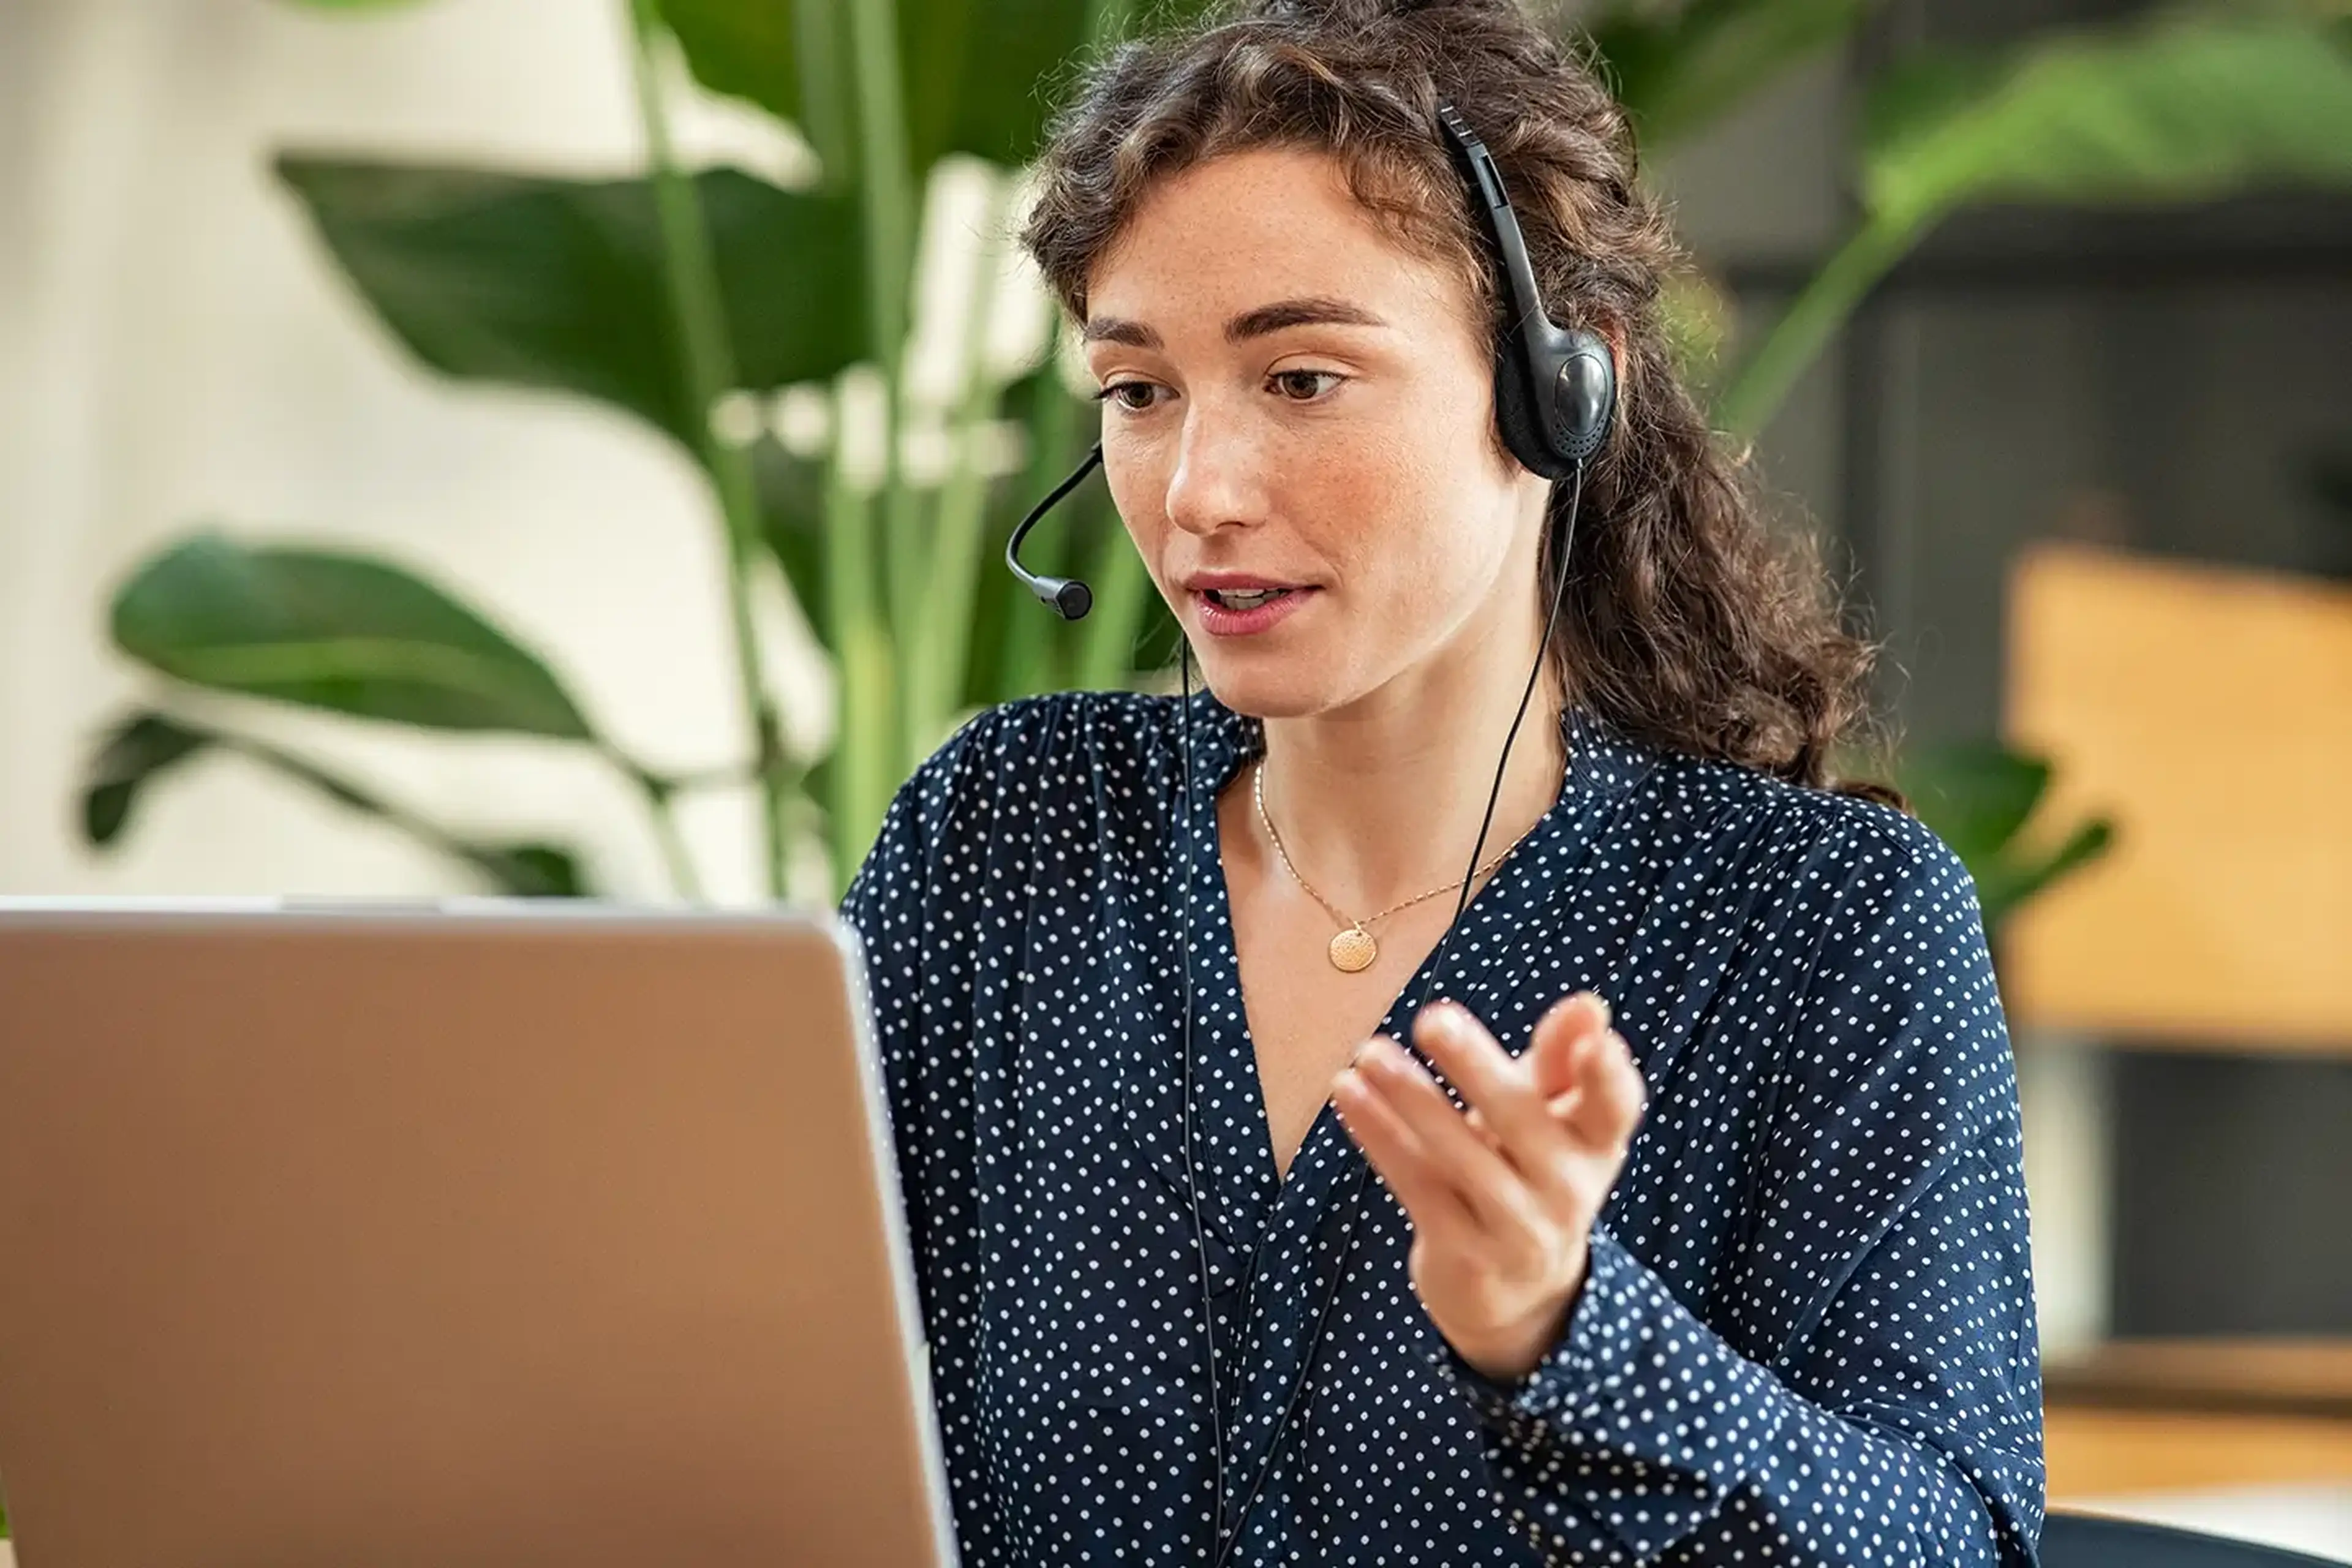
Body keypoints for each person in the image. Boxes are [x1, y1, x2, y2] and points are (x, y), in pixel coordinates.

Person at [839, 0, 2045, 1562]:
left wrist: (1565, 1331)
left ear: (1562, 392)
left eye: (1302, 378)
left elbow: (1961, 1541)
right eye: (1140, 391)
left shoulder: (1819, 926)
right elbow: (769, 1400)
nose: (1199, 490)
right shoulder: (1006, 836)